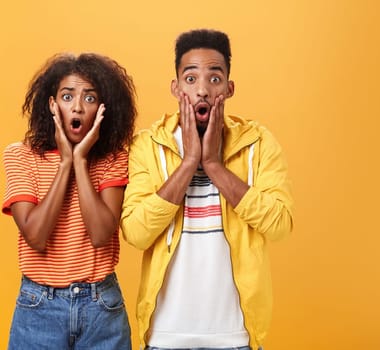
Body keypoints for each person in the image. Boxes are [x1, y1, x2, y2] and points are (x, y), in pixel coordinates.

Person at [121, 29, 294, 350]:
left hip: (236, 336)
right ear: (175, 88)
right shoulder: (147, 145)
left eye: (214, 79)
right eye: (190, 79)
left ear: (229, 88)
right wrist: (189, 163)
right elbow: (136, 232)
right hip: (165, 335)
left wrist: (214, 165)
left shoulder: (258, 143)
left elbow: (280, 224)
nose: (202, 90)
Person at [2, 52, 137, 349]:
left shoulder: (114, 160)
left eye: (89, 99)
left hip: (102, 308)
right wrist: (65, 165)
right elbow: (36, 236)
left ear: (103, 109)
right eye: (67, 96)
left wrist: (80, 161)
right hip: (38, 308)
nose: (77, 106)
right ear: (51, 104)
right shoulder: (20, 156)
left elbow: (101, 234)